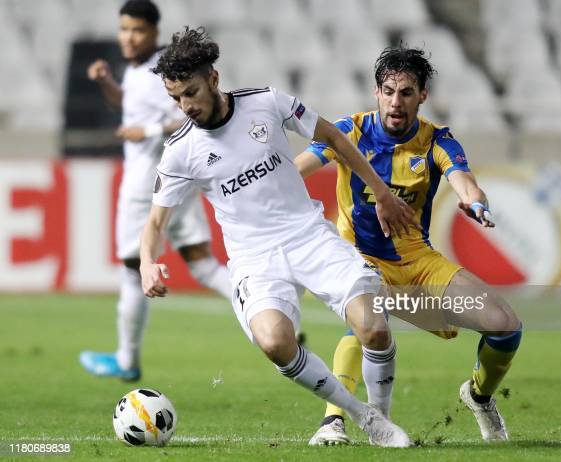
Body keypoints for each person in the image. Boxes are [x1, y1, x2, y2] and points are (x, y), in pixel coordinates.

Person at [140, 26, 421, 447]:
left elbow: (333, 137)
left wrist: (381, 192)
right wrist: (147, 262)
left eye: (191, 93)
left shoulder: (266, 102)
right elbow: (155, 223)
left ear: (213, 79)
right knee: (274, 342)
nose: (186, 107)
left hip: (308, 235)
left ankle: (382, 417)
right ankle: (361, 415)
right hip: (254, 259)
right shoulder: (182, 150)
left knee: (374, 328)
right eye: (176, 98)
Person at [295, 45, 523, 445]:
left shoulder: (437, 140)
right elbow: (299, 169)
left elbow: (465, 182)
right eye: (388, 91)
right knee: (367, 321)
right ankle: (333, 421)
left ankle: (478, 396)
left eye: (406, 92)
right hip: (359, 257)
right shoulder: (350, 131)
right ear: (376, 92)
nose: (395, 102)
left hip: (418, 263)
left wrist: (475, 202)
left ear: (422, 96)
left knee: (505, 326)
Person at [79, 1, 232, 382]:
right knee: (201, 262)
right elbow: (130, 107)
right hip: (178, 178)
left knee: (133, 270)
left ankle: (127, 359)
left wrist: (145, 132)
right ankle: (267, 310)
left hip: (147, 183)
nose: (129, 37)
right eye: (124, 29)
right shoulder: (140, 70)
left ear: (153, 32)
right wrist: (106, 83)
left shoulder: (162, 73)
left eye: (137, 30)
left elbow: (189, 114)